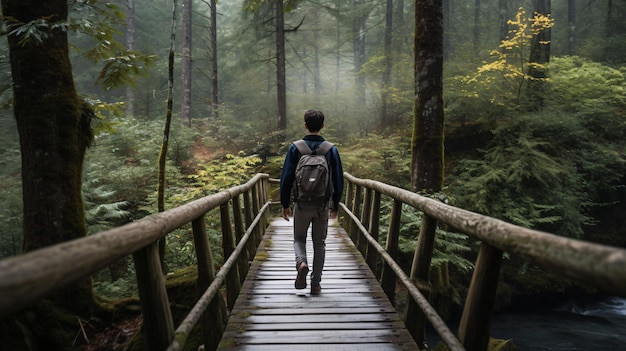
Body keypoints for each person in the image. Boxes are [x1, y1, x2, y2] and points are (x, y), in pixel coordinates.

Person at [279, 109, 344, 295]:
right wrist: (335, 204)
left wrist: (285, 204)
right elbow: (338, 179)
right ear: (323, 125)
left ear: (305, 125)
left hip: (301, 204)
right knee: (319, 243)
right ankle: (316, 284)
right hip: (321, 205)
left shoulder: (295, 148)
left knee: (299, 239)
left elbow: (287, 178)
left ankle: (301, 262)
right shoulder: (331, 150)